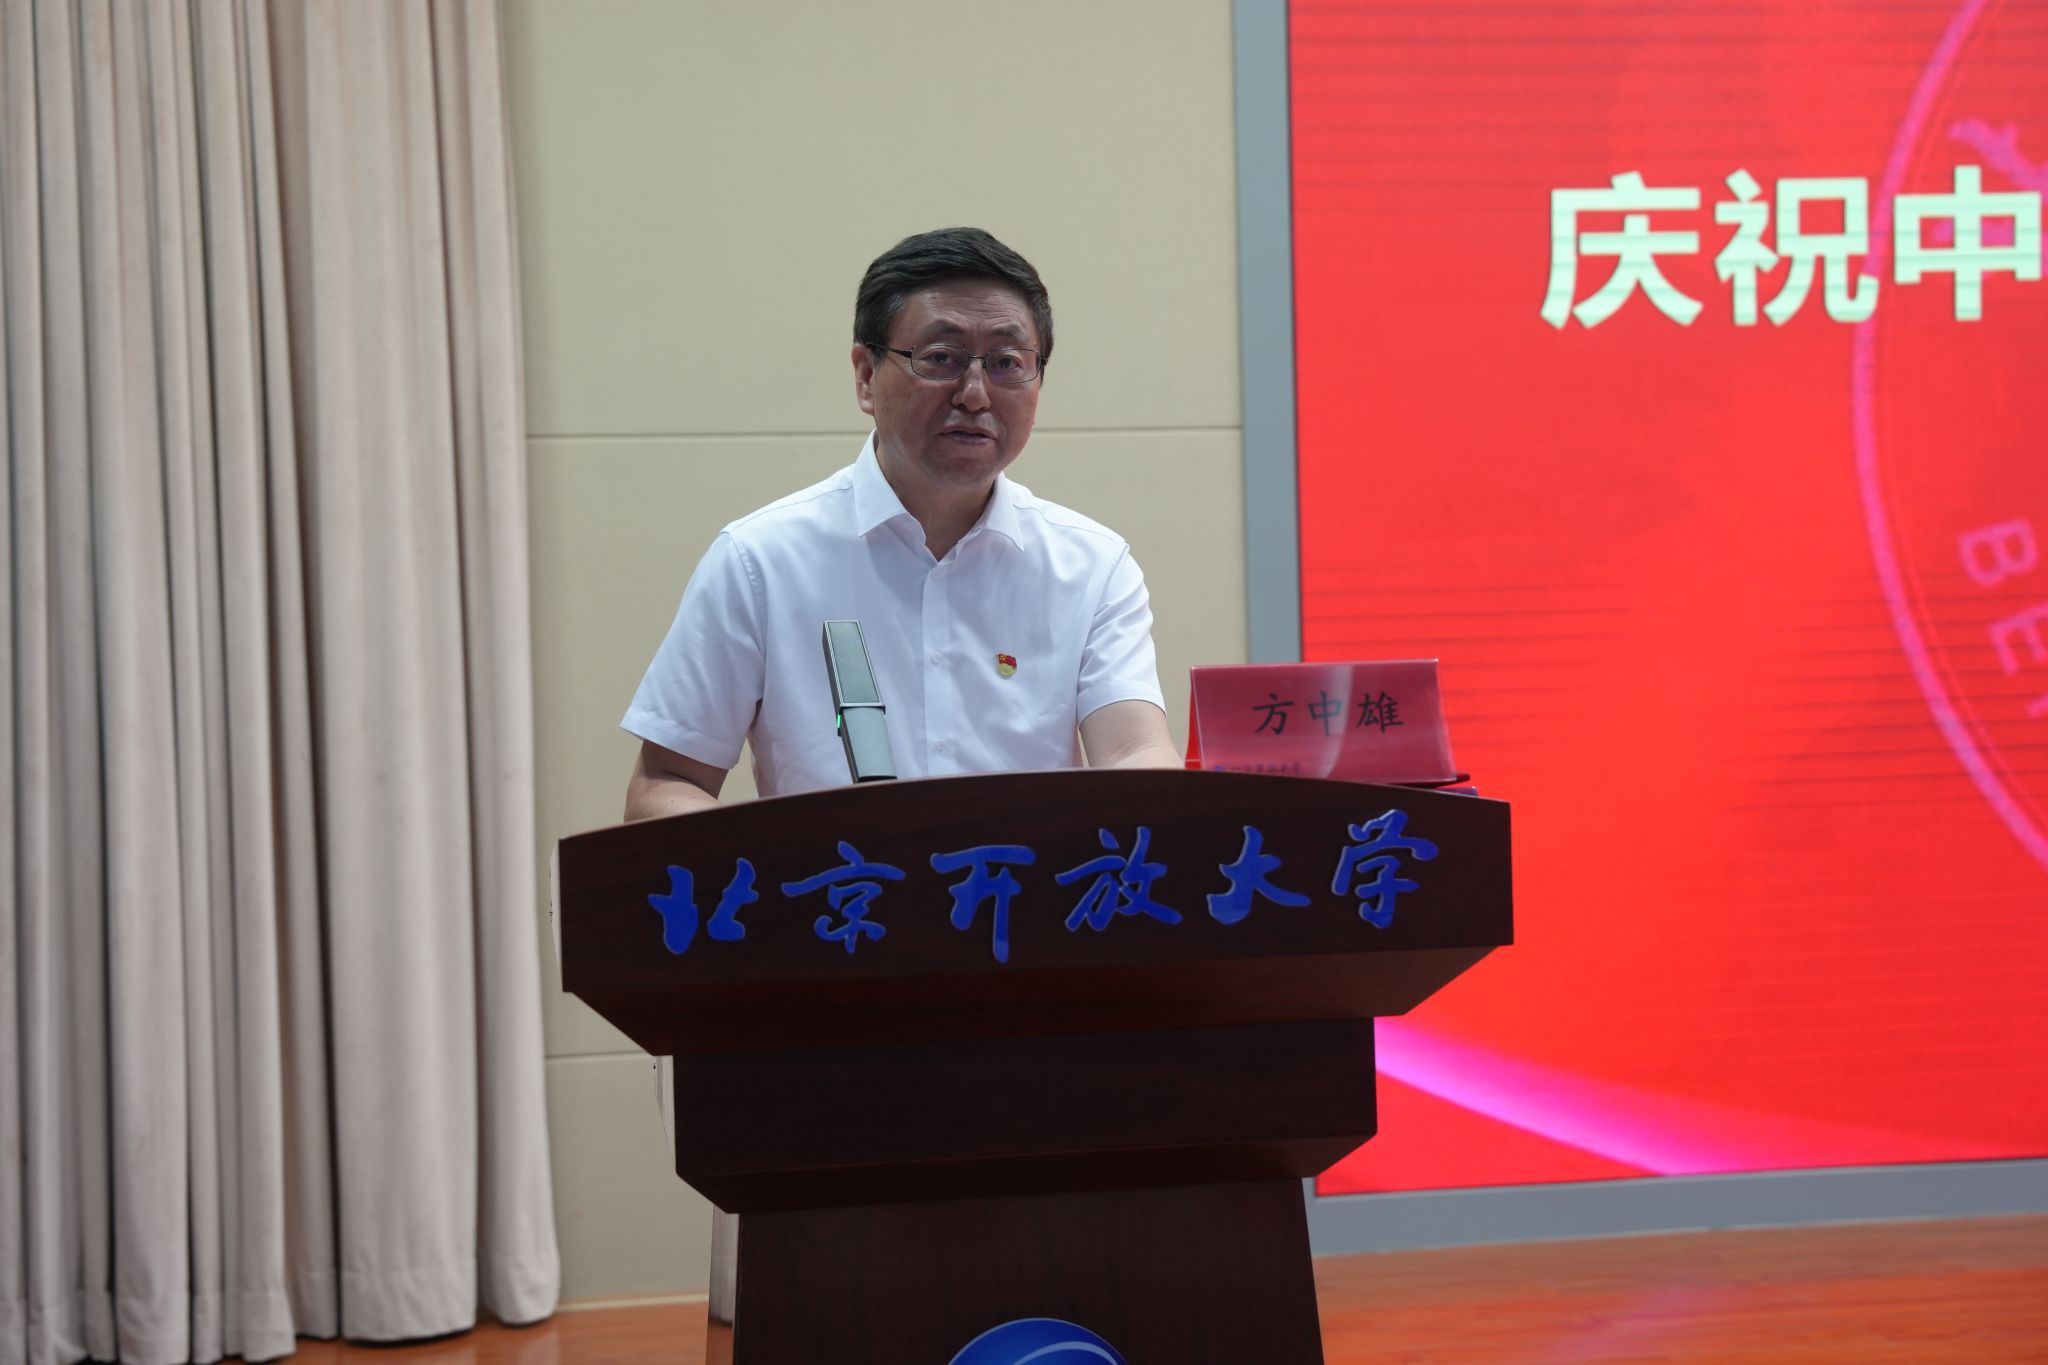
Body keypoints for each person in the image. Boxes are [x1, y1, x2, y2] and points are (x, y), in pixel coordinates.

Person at [621, 226, 1180, 818]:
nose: (974, 394)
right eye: (940, 359)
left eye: (1006, 363)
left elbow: (1135, 751)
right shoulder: (759, 560)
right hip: (837, 879)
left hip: (1027, 879)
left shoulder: (1092, 566)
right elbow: (665, 782)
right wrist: (776, 863)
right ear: (865, 376)